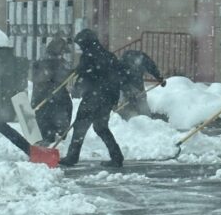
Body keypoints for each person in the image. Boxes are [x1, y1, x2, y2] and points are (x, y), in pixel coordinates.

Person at [60, 28, 124, 168]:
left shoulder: (88, 57)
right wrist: (114, 99)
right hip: (107, 98)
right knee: (101, 127)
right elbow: (117, 79)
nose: (81, 47)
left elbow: (85, 76)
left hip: (93, 98)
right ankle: (117, 156)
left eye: (81, 44)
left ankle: (72, 157)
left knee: (79, 127)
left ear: (86, 43)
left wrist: (77, 87)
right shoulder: (109, 56)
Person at [31, 35, 73, 143]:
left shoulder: (54, 60)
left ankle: (53, 136)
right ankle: (49, 140)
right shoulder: (47, 61)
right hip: (47, 96)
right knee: (48, 119)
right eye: (62, 51)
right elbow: (44, 78)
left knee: (53, 117)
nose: (63, 53)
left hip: (53, 95)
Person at [117, 48, 166, 120]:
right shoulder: (123, 64)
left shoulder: (144, 59)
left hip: (138, 85)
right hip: (125, 86)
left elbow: (152, 68)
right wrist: (128, 93)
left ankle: (147, 121)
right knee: (124, 106)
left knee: (143, 106)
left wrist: (159, 78)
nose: (136, 66)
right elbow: (122, 81)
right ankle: (121, 122)